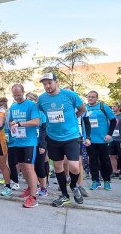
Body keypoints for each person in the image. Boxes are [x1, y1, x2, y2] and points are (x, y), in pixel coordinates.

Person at [38, 73, 89, 207]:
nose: (47, 86)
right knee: (58, 166)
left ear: (56, 82)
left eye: (49, 83)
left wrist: (72, 117)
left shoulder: (69, 95)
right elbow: (40, 113)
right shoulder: (42, 99)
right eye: (44, 84)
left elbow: (82, 109)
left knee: (73, 166)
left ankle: (74, 186)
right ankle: (64, 195)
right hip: (53, 137)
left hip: (71, 136)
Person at [8, 85, 40, 208]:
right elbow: (11, 122)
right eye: (15, 95)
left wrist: (20, 123)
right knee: (22, 167)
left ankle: (33, 197)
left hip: (29, 142)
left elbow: (36, 122)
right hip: (17, 142)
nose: (17, 98)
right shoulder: (13, 107)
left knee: (29, 167)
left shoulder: (31, 105)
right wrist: (12, 124)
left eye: (19, 95)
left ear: (23, 93)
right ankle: (30, 187)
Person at [85, 91, 117, 191]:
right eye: (89, 97)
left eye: (92, 97)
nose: (90, 99)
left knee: (105, 160)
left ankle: (106, 181)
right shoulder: (84, 108)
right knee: (93, 160)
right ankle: (95, 181)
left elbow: (113, 121)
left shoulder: (103, 107)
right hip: (90, 139)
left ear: (97, 98)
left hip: (103, 139)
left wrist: (109, 134)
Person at [26, 92, 49, 197]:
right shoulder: (26, 111)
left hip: (40, 143)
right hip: (29, 143)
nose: (30, 101)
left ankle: (44, 187)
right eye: (28, 99)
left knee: (40, 166)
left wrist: (43, 145)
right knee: (31, 167)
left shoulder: (41, 113)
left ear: (36, 100)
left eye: (32, 99)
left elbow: (44, 130)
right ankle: (34, 186)